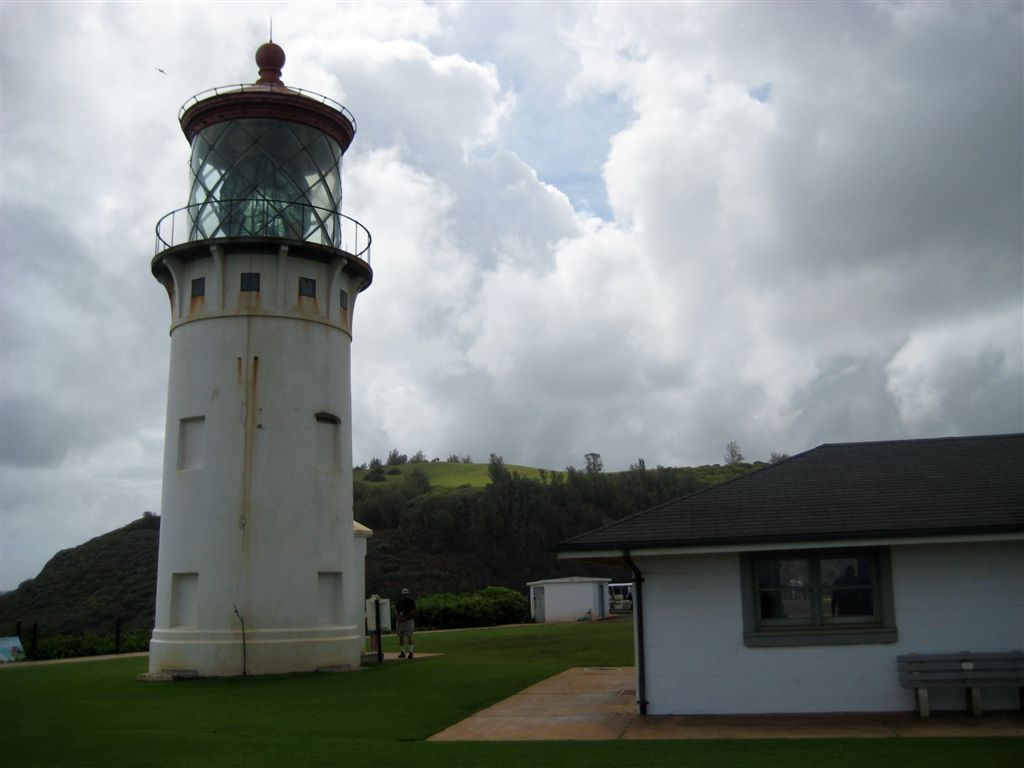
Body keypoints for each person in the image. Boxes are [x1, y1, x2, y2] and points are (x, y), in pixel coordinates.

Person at [395, 588, 416, 659]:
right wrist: (399, 618)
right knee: (401, 636)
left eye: (406, 594)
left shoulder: (411, 601)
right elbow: (396, 610)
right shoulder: (399, 602)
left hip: (408, 620)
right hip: (400, 621)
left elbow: (413, 610)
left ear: (408, 594)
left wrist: (405, 618)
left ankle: (411, 652)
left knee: (409, 636)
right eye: (403, 594)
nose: (405, 596)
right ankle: (403, 652)